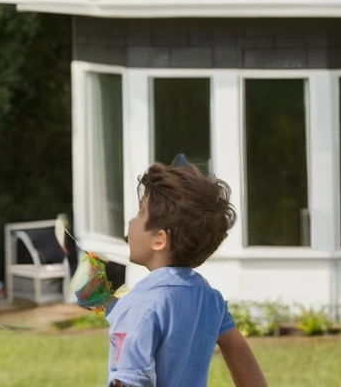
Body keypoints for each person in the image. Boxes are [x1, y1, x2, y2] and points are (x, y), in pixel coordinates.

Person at [107, 161, 269, 387]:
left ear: (159, 239)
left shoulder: (141, 304)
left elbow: (129, 380)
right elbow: (238, 351)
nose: (131, 222)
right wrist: (103, 299)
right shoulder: (209, 299)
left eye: (140, 212)